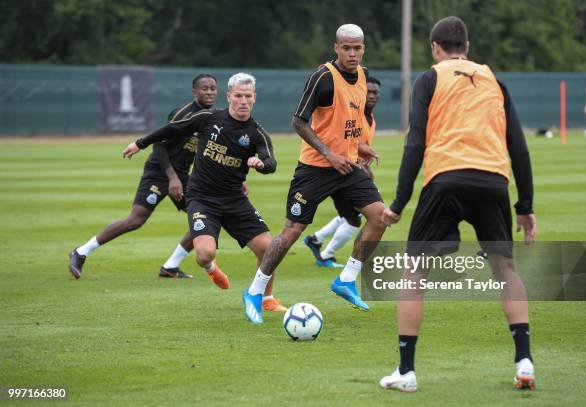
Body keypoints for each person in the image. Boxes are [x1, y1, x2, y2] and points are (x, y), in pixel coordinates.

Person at [380, 16, 537, 392]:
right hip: (493, 181)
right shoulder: (494, 81)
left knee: (414, 273)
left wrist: (399, 202)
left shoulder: (430, 78)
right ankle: (524, 360)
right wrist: (525, 206)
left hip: (445, 178)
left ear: (435, 48)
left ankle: (406, 371)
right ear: (467, 47)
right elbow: (518, 145)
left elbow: (415, 142)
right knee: (506, 270)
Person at [242, 24, 387, 324]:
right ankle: (255, 292)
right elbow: (298, 121)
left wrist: (360, 148)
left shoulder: (363, 75)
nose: (351, 53)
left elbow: (348, 122)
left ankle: (346, 280)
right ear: (336, 48)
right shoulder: (322, 78)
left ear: (363, 48)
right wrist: (329, 154)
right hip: (315, 168)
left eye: (357, 48)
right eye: (346, 48)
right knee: (291, 232)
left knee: (380, 216)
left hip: (347, 166)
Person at [121, 73, 287, 312]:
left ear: (254, 99)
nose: (243, 101)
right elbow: (173, 128)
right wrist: (140, 143)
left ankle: (266, 299)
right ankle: (211, 268)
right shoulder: (209, 118)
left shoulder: (256, 133)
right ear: (229, 96)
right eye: (238, 95)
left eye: (248, 96)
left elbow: (270, 161)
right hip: (202, 198)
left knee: (269, 249)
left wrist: (261, 165)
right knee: (204, 254)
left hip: (234, 200)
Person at [69, 74, 218, 280]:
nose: (209, 92)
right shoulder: (182, 113)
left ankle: (171, 267)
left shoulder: (211, 117)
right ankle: (81, 252)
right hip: (159, 172)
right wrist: (172, 178)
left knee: (206, 217)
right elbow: (159, 146)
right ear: (195, 91)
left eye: (212, 88)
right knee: (136, 219)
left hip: (183, 176)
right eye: (204, 88)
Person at [304, 76, 382, 268]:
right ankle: (326, 255)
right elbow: (346, 141)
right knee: (355, 218)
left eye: (375, 93)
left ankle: (317, 239)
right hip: (337, 171)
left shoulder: (371, 119)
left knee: (355, 214)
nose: (371, 96)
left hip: (352, 171)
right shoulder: (352, 114)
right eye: (368, 91)